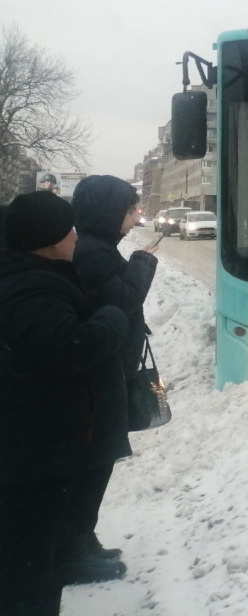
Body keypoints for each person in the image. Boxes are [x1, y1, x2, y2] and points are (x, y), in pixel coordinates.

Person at [0, 191, 129, 615]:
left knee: (37, 556)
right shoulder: (31, 287)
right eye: (68, 229)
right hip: (33, 454)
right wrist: (111, 318)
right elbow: (71, 347)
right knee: (32, 565)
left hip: (36, 447)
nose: (76, 236)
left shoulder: (32, 275)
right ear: (51, 239)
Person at [66, 175, 160, 584]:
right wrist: (142, 261)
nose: (136, 214)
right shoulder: (94, 253)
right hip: (99, 374)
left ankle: (81, 542)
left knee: (96, 462)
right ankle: (73, 552)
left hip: (103, 371)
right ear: (109, 212)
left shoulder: (94, 248)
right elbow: (121, 302)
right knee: (93, 463)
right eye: (129, 208)